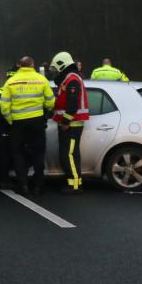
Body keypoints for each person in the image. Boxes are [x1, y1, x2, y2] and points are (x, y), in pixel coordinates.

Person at [0, 57, 55, 195]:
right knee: (38, 152)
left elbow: (4, 105)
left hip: (18, 123)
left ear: (19, 66)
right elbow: (51, 102)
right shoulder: (41, 79)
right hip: (37, 121)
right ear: (33, 65)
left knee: (18, 153)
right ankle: (38, 185)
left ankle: (22, 185)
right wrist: (45, 110)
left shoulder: (11, 82)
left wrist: (10, 120)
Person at [51, 52, 89, 194]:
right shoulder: (69, 78)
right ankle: (72, 182)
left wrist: (65, 121)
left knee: (70, 155)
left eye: (56, 69)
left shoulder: (72, 80)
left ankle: (75, 186)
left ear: (62, 65)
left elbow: (72, 104)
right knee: (69, 155)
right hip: (70, 124)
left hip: (72, 125)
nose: (55, 72)